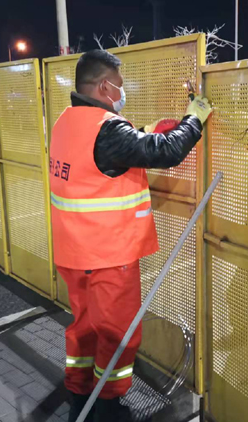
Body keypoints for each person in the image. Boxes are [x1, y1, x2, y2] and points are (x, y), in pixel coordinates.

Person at [49, 49, 212, 422]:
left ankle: (79, 397)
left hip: (73, 252)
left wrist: (146, 132)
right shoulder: (107, 129)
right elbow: (167, 152)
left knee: (84, 329)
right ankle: (107, 406)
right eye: (119, 86)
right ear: (105, 86)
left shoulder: (66, 121)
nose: (122, 93)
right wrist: (195, 118)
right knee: (118, 334)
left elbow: (110, 156)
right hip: (108, 255)